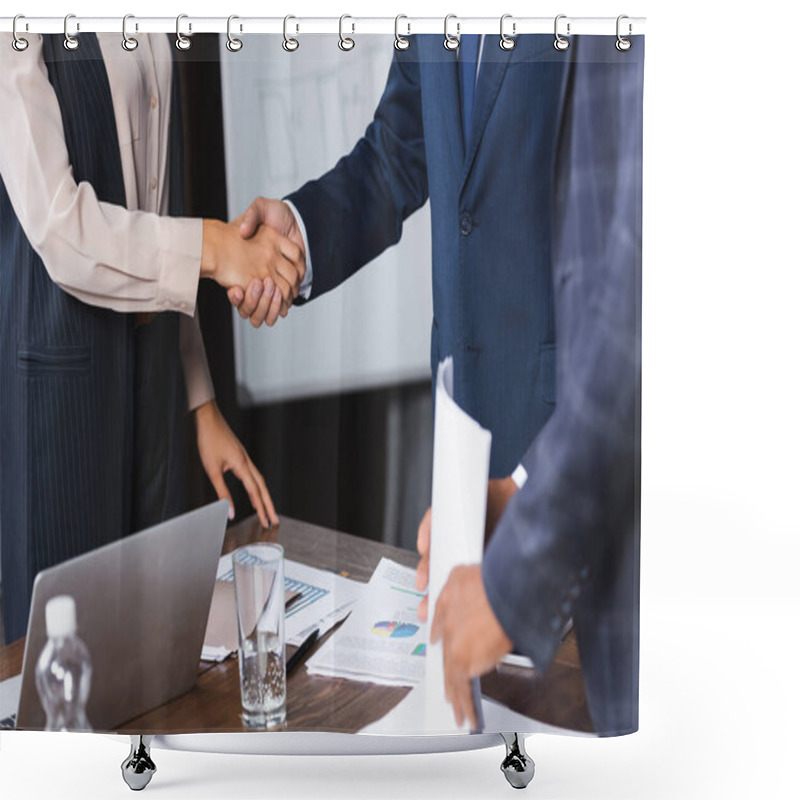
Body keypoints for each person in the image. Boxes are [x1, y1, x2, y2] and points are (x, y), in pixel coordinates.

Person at [233, 34, 641, 734]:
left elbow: (633, 272)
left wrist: (527, 513)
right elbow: (401, 144)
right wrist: (299, 235)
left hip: (580, 447)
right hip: (465, 446)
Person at [0, 32, 303, 642]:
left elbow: (159, 204)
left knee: (150, 660)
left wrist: (201, 400)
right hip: (59, 392)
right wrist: (217, 247)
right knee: (67, 673)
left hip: (155, 377)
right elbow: (62, 227)